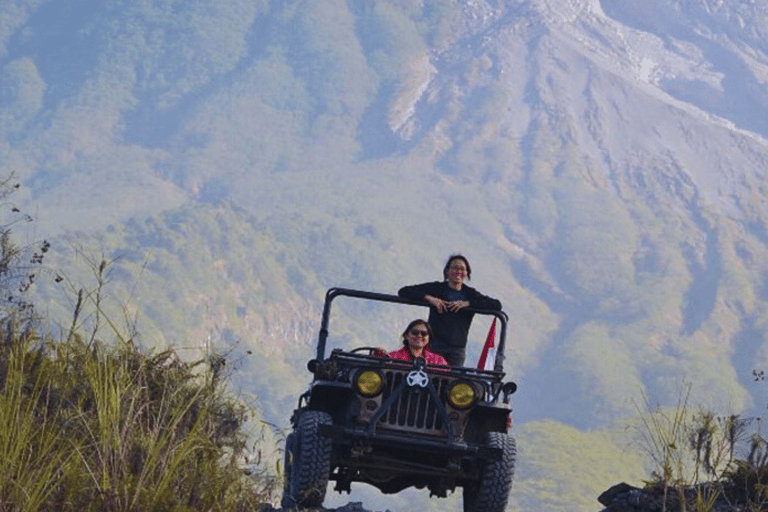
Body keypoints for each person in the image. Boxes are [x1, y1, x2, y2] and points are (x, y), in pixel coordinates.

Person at [398, 254, 501, 366]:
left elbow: (496, 305)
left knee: (453, 381)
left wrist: (468, 303)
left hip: (456, 350)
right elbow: (404, 291)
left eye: (462, 269)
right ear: (447, 271)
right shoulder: (437, 288)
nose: (458, 271)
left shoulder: (470, 294)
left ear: (467, 273)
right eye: (455, 268)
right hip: (434, 346)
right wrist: (429, 298)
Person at [378, 319, 448, 366]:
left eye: (424, 333)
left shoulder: (438, 361)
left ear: (429, 338)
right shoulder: (392, 358)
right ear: (406, 335)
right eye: (415, 333)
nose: (419, 336)